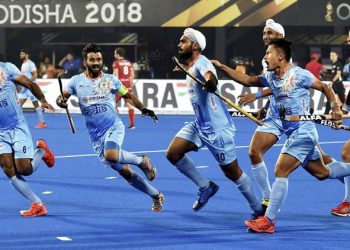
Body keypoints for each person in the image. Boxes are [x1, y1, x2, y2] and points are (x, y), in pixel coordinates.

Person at [213, 38, 350, 233]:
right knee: (323, 173)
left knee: (281, 170)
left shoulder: (300, 74)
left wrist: (335, 107)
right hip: (289, 130)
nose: (265, 56)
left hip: (303, 131)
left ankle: (268, 221)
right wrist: (221, 67)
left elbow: (326, 88)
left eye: (268, 53)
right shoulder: (270, 77)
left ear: (281, 56)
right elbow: (246, 80)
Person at [166, 28, 264, 217]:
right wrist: (186, 70)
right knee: (173, 153)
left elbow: (210, 74)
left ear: (195, 46)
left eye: (183, 41)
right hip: (199, 125)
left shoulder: (202, 62)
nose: (179, 44)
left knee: (232, 172)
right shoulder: (192, 66)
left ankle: (257, 209)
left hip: (217, 130)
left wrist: (211, 82)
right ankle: (206, 186)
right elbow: (198, 72)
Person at [56, 43, 164, 212]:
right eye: (92, 60)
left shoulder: (110, 80)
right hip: (96, 136)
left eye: (98, 59)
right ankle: (156, 195)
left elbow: (127, 94)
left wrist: (143, 108)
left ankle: (141, 160)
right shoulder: (76, 81)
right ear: (85, 62)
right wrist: (60, 101)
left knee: (111, 155)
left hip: (113, 126)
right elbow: (62, 96)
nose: (96, 62)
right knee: (125, 172)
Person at [0, 61, 55, 217]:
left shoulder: (6, 69)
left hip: (17, 127)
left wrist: (43, 100)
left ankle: (41, 150)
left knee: (25, 169)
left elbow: (30, 84)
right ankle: (37, 204)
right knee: (8, 169)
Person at [18, 49, 47, 128]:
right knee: (18, 105)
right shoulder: (23, 64)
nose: (20, 55)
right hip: (24, 89)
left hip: (30, 88)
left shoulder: (31, 64)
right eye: (20, 54)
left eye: (22, 54)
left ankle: (42, 123)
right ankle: (16, 123)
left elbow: (35, 75)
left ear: (26, 55)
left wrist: (27, 82)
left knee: (36, 104)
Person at [113, 48, 136, 129]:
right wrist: (130, 83)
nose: (114, 55)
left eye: (115, 53)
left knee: (112, 104)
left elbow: (116, 75)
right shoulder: (129, 63)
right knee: (129, 105)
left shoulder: (116, 63)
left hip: (120, 87)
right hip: (128, 87)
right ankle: (132, 123)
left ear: (118, 54)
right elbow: (132, 74)